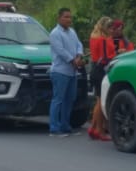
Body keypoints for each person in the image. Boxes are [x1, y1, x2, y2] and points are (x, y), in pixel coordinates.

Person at [47, 8, 86, 137]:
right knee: (58, 99)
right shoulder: (55, 33)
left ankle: (65, 126)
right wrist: (72, 60)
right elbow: (60, 51)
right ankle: (54, 128)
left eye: (70, 17)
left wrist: (79, 56)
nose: (69, 19)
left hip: (72, 72)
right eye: (66, 17)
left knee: (69, 99)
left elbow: (79, 44)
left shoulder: (72, 32)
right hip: (60, 71)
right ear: (59, 18)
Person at [85, 16, 113, 140]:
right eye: (110, 27)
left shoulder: (94, 37)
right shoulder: (103, 40)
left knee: (98, 100)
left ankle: (94, 127)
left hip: (95, 69)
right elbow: (106, 57)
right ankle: (99, 130)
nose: (112, 30)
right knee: (101, 101)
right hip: (101, 69)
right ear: (105, 27)